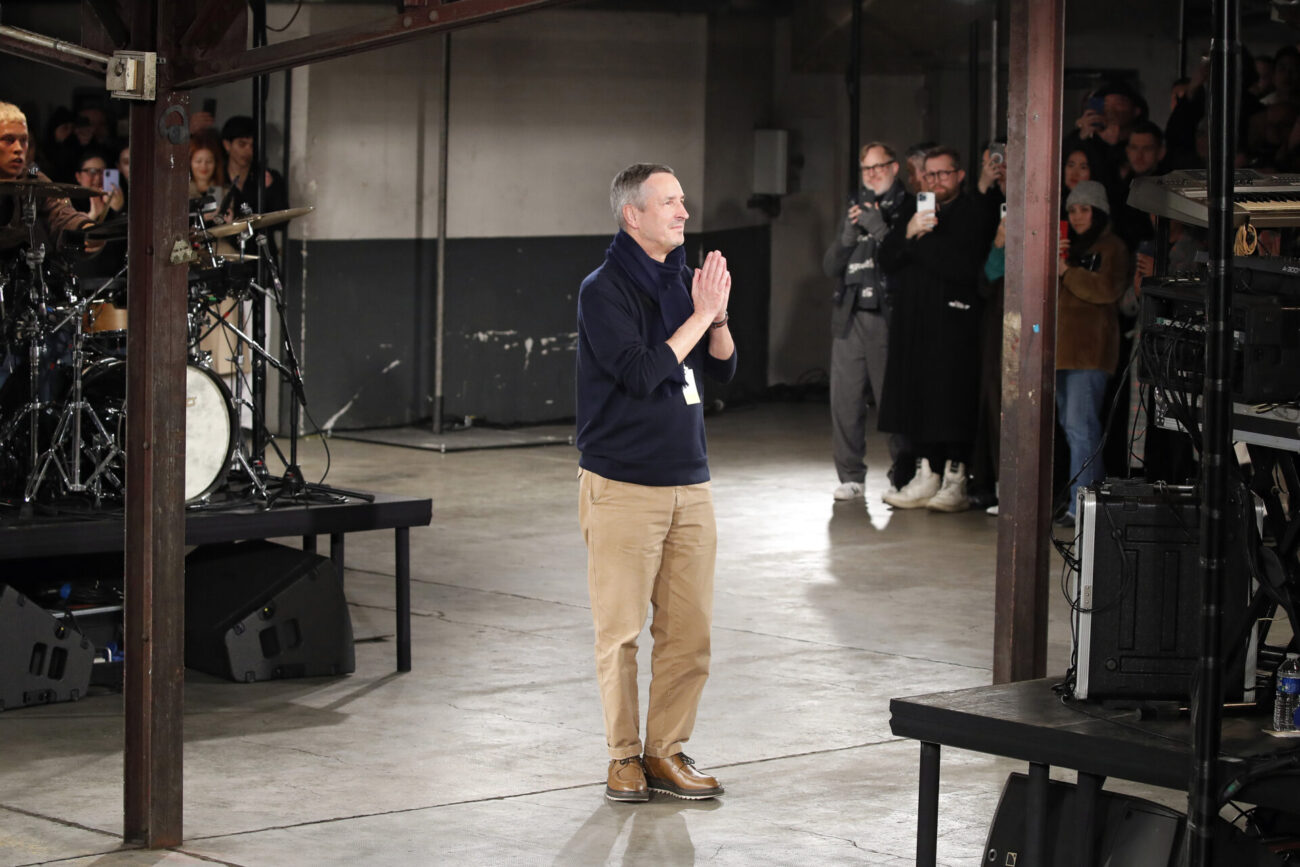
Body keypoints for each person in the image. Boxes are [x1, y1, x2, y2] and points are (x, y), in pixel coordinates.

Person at [575, 162, 735, 803]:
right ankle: (622, 757)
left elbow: (721, 373)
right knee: (620, 633)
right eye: (668, 202)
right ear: (631, 215)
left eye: (683, 200)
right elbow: (641, 372)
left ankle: (666, 750)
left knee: (689, 631)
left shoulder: (684, 281)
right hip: (622, 484)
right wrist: (701, 315)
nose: (683, 211)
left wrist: (718, 319)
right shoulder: (602, 288)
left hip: (688, 481)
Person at [877, 146, 999, 512]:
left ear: (960, 175)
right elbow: (886, 258)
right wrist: (909, 233)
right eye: (929, 175)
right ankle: (925, 473)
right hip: (915, 321)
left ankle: (956, 479)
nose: (935, 182)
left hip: (956, 323)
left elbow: (963, 267)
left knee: (951, 397)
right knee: (918, 395)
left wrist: (918, 243)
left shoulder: (974, 212)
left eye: (943, 174)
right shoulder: (917, 210)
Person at [822, 141, 913, 500]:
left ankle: (903, 474)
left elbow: (907, 258)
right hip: (849, 314)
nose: (872, 174)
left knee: (892, 401)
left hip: (887, 316)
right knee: (844, 401)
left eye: (879, 166)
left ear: (895, 168)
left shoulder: (908, 206)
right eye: (866, 168)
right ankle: (850, 476)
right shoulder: (855, 208)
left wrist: (881, 230)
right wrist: (846, 239)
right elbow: (830, 266)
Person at [1054, 180, 1128, 527]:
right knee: (1073, 431)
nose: (1079, 215)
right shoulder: (1064, 249)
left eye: (1085, 209)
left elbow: (1107, 290)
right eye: (1072, 209)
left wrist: (1068, 272)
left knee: (1081, 428)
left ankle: (1083, 506)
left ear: (1099, 211)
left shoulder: (1111, 246)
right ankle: (1083, 501)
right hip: (1060, 354)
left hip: (1091, 355)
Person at [220, 115, 287, 217]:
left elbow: (283, 221)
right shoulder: (216, 176)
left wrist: (270, 189)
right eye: (242, 144)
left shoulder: (269, 176)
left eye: (253, 145)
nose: (248, 150)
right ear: (227, 145)